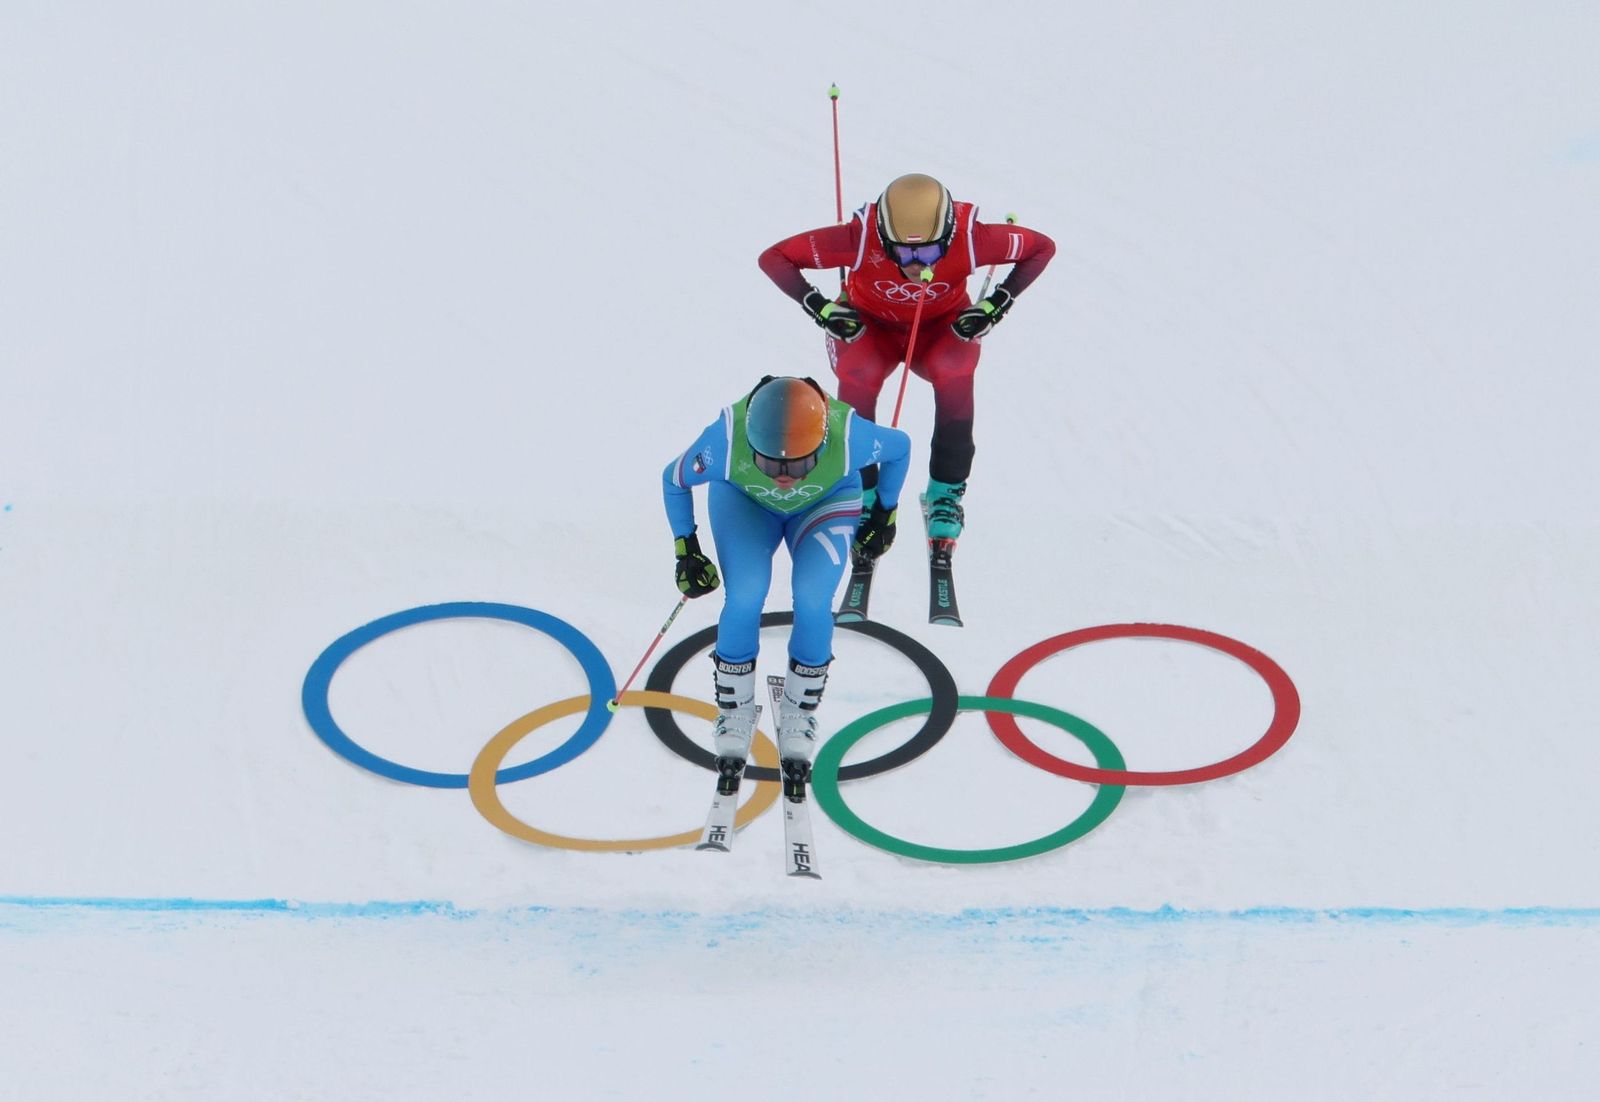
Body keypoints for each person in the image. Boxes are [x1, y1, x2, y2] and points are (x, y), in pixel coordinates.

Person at [757, 173, 1055, 544]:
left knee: (955, 366)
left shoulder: (972, 237)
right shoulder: (859, 237)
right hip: (871, 328)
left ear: (947, 234)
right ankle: (861, 493)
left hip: (938, 329)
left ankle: (946, 492)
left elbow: (1041, 248)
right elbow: (775, 258)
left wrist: (996, 305)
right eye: (901, 251)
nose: (915, 264)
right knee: (859, 370)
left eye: (929, 253)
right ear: (883, 236)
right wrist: (821, 307)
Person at [662, 375, 911, 795]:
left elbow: (900, 447)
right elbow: (674, 480)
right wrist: (685, 546)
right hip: (744, 504)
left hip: (825, 502)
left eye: (798, 465)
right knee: (744, 596)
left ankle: (800, 710)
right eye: (770, 463)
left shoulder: (849, 436)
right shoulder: (723, 439)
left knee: (814, 600)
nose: (783, 477)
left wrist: (885, 512)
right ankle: (734, 708)